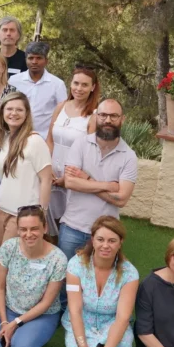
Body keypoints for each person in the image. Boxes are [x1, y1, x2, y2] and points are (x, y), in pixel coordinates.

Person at [43, 216, 140, 347]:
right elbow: (75, 310)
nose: (106, 245)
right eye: (100, 239)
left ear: (120, 243)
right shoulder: (75, 265)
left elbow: (122, 318)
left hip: (112, 323)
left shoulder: (130, 274)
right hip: (81, 321)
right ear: (92, 240)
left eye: (112, 240)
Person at [0, 205, 67, 347]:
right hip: (9, 311)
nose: (28, 234)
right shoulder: (9, 248)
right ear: (17, 230)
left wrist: (15, 324)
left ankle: (29, 344)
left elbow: (46, 303)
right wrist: (4, 322)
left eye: (34, 228)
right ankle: (19, 337)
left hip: (41, 315)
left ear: (45, 228)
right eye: (23, 229)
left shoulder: (58, 259)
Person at [58, 98, 138, 260]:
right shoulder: (80, 144)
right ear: (95, 117)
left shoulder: (129, 156)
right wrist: (108, 185)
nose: (108, 120)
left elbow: (121, 199)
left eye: (114, 116)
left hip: (106, 233)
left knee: (98, 281)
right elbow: (70, 182)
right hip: (72, 227)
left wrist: (86, 179)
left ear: (122, 119)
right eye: (103, 115)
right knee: (64, 279)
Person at [0, 92, 53, 250]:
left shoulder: (35, 141)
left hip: (22, 215)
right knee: (0, 256)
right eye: (9, 109)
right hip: (1, 208)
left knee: (11, 262)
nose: (13, 113)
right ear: (2, 113)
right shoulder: (6, 139)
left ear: (27, 114)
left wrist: (42, 214)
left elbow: (46, 180)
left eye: (19, 110)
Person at [46, 65, 99, 236]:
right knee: (47, 222)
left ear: (93, 87)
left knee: (68, 225)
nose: (79, 88)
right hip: (51, 175)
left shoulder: (94, 116)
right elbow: (49, 139)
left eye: (84, 85)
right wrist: (47, 168)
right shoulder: (61, 107)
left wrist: (67, 179)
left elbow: (90, 154)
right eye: (76, 83)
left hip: (73, 177)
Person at [9, 41, 68, 136]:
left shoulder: (57, 84)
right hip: (16, 136)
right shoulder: (14, 81)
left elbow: (63, 113)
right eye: (31, 58)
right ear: (26, 60)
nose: (34, 62)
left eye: (39, 58)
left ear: (46, 61)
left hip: (44, 138)